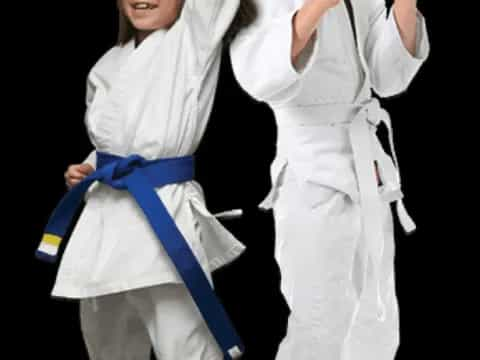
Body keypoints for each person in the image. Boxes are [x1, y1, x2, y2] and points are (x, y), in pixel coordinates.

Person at [36, 1, 256, 359]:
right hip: (104, 218)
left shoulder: (191, 39)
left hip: (161, 214)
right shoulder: (107, 64)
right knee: (106, 342)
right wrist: (89, 170)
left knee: (185, 341)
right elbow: (112, 143)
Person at [230, 0, 430, 359]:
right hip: (310, 170)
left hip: (366, 166)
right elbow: (258, 75)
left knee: (377, 317)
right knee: (320, 321)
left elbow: (387, 77)